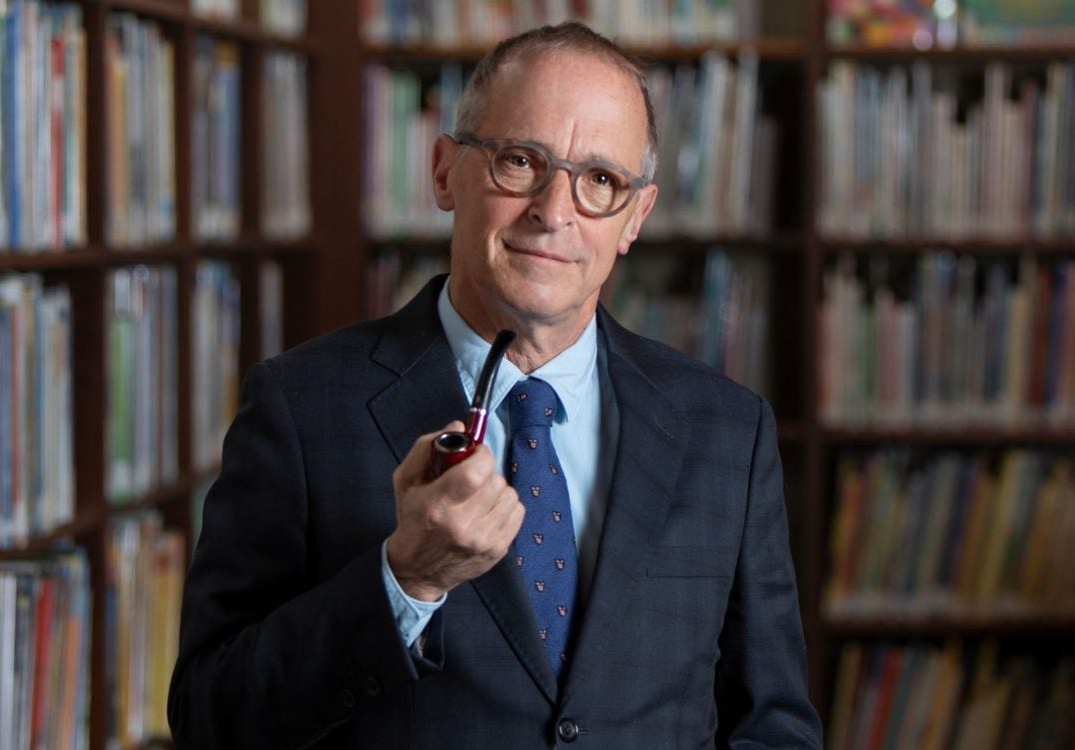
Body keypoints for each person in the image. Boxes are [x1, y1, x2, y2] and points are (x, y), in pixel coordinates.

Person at [169, 21, 823, 749]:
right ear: (445, 171)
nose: (554, 210)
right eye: (520, 160)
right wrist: (403, 581)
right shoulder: (300, 408)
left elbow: (772, 726)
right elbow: (209, 717)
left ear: (636, 217)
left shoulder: (729, 431)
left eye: (600, 181)